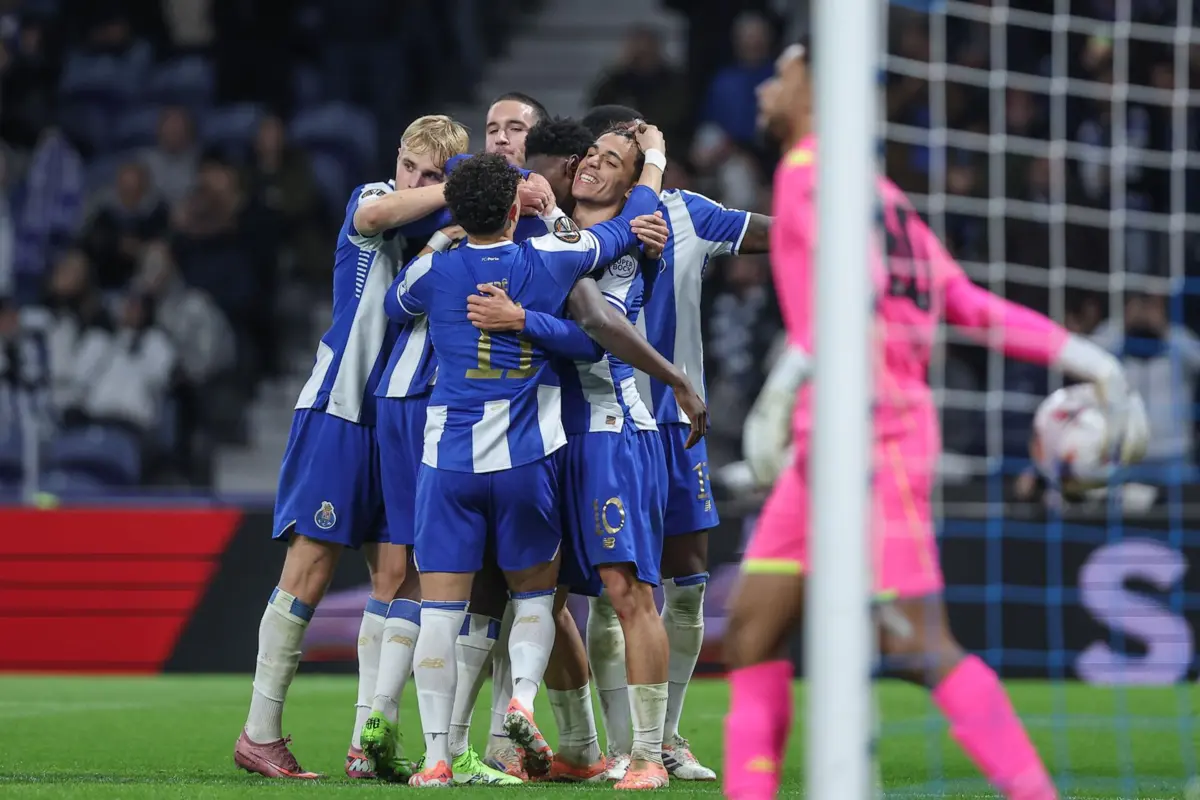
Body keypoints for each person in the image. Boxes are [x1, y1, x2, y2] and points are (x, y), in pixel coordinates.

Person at [724, 42, 1148, 800]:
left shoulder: (807, 172)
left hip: (875, 435)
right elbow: (966, 303)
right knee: (753, 632)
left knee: (918, 643)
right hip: (826, 444)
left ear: (816, 87)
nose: (764, 89)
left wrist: (781, 386)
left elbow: (856, 289)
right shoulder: (881, 193)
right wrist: (1091, 360)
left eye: (780, 74)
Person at [384, 133, 666, 788]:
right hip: (526, 459)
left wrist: (444, 237)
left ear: (458, 210)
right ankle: (522, 700)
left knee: (440, 613)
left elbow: (398, 302)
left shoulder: (434, 273)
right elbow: (617, 245)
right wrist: (648, 169)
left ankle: (436, 758)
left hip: (449, 461)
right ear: (515, 210)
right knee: (538, 598)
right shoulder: (548, 259)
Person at [466, 121, 703, 789]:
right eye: (591, 156)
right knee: (541, 598)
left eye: (612, 162)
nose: (594, 166)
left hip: (606, 431)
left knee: (629, 591)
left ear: (629, 188)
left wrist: (522, 319)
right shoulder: (549, 231)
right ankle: (578, 748)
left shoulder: (626, 246)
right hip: (544, 438)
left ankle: (649, 754)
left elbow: (597, 333)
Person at [232, 115, 469, 781]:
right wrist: (461, 192)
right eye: (410, 166)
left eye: (432, 174)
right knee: (310, 566)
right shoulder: (375, 199)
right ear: (396, 160)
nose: (414, 181)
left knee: (397, 574)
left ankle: (370, 739)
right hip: (340, 408)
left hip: (399, 417)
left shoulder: (445, 233)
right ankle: (259, 731)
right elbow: (376, 216)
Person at [575, 103, 773, 782]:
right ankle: (619, 743)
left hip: (678, 427)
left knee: (687, 585)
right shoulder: (575, 227)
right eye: (608, 149)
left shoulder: (687, 212)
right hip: (607, 423)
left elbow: (768, 234)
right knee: (613, 593)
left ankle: (666, 738)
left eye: (630, 149)